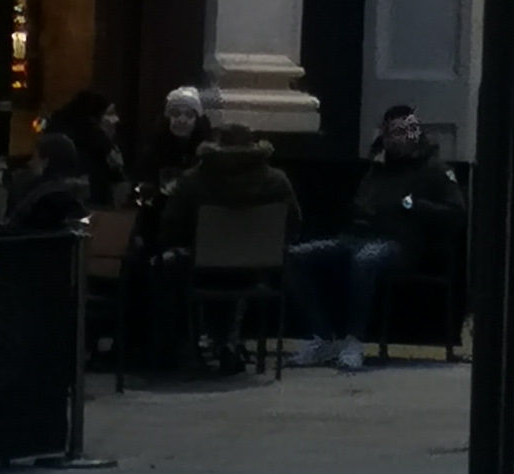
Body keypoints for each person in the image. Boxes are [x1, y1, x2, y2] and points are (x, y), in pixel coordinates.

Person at [288, 108, 463, 373]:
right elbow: (363, 201)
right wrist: (359, 212)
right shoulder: (378, 166)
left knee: (365, 260)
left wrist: (415, 206)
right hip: (357, 236)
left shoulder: (434, 169)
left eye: (408, 131)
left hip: (400, 243)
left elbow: (457, 213)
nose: (402, 138)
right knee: (295, 257)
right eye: (395, 133)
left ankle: (354, 341)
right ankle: (322, 337)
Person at [147, 120, 298, 376]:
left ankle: (182, 345)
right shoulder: (276, 181)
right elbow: (293, 224)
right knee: (232, 272)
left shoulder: (193, 180)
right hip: (254, 269)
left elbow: (170, 228)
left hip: (199, 270)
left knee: (166, 267)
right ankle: (229, 341)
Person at [2, 129, 92, 239]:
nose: (30, 163)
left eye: (35, 158)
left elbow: (14, 230)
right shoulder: (77, 196)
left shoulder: (42, 199)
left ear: (45, 162)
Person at [45, 89, 127, 203]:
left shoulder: (58, 121)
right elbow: (110, 158)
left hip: (55, 185)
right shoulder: (90, 128)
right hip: (90, 187)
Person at [137, 85, 208, 198]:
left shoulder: (205, 150)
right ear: (167, 118)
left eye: (189, 115)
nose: (182, 120)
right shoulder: (153, 148)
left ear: (197, 120)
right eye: (175, 114)